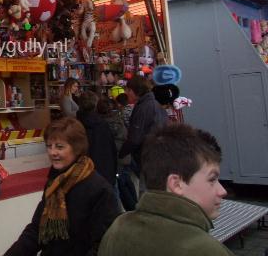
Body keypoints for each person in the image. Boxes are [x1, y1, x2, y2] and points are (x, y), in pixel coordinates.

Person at [98, 124, 233, 256]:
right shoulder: (206, 250)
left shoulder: (118, 228)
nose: (222, 191)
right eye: (212, 179)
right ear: (176, 184)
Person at [4, 117, 121, 256]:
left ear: (77, 148)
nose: (52, 152)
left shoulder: (99, 190)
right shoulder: (54, 183)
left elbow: (103, 245)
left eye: (59, 147)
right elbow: (36, 230)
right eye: (49, 146)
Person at [119, 75, 167, 181]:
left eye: (128, 90)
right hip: (156, 156)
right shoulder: (155, 105)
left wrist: (121, 153)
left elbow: (135, 138)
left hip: (145, 157)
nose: (126, 93)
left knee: (142, 187)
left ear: (135, 90)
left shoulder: (143, 107)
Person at [76, 92, 117, 186]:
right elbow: (112, 150)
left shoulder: (74, 126)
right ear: (96, 104)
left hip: (83, 175)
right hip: (104, 173)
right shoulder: (102, 124)